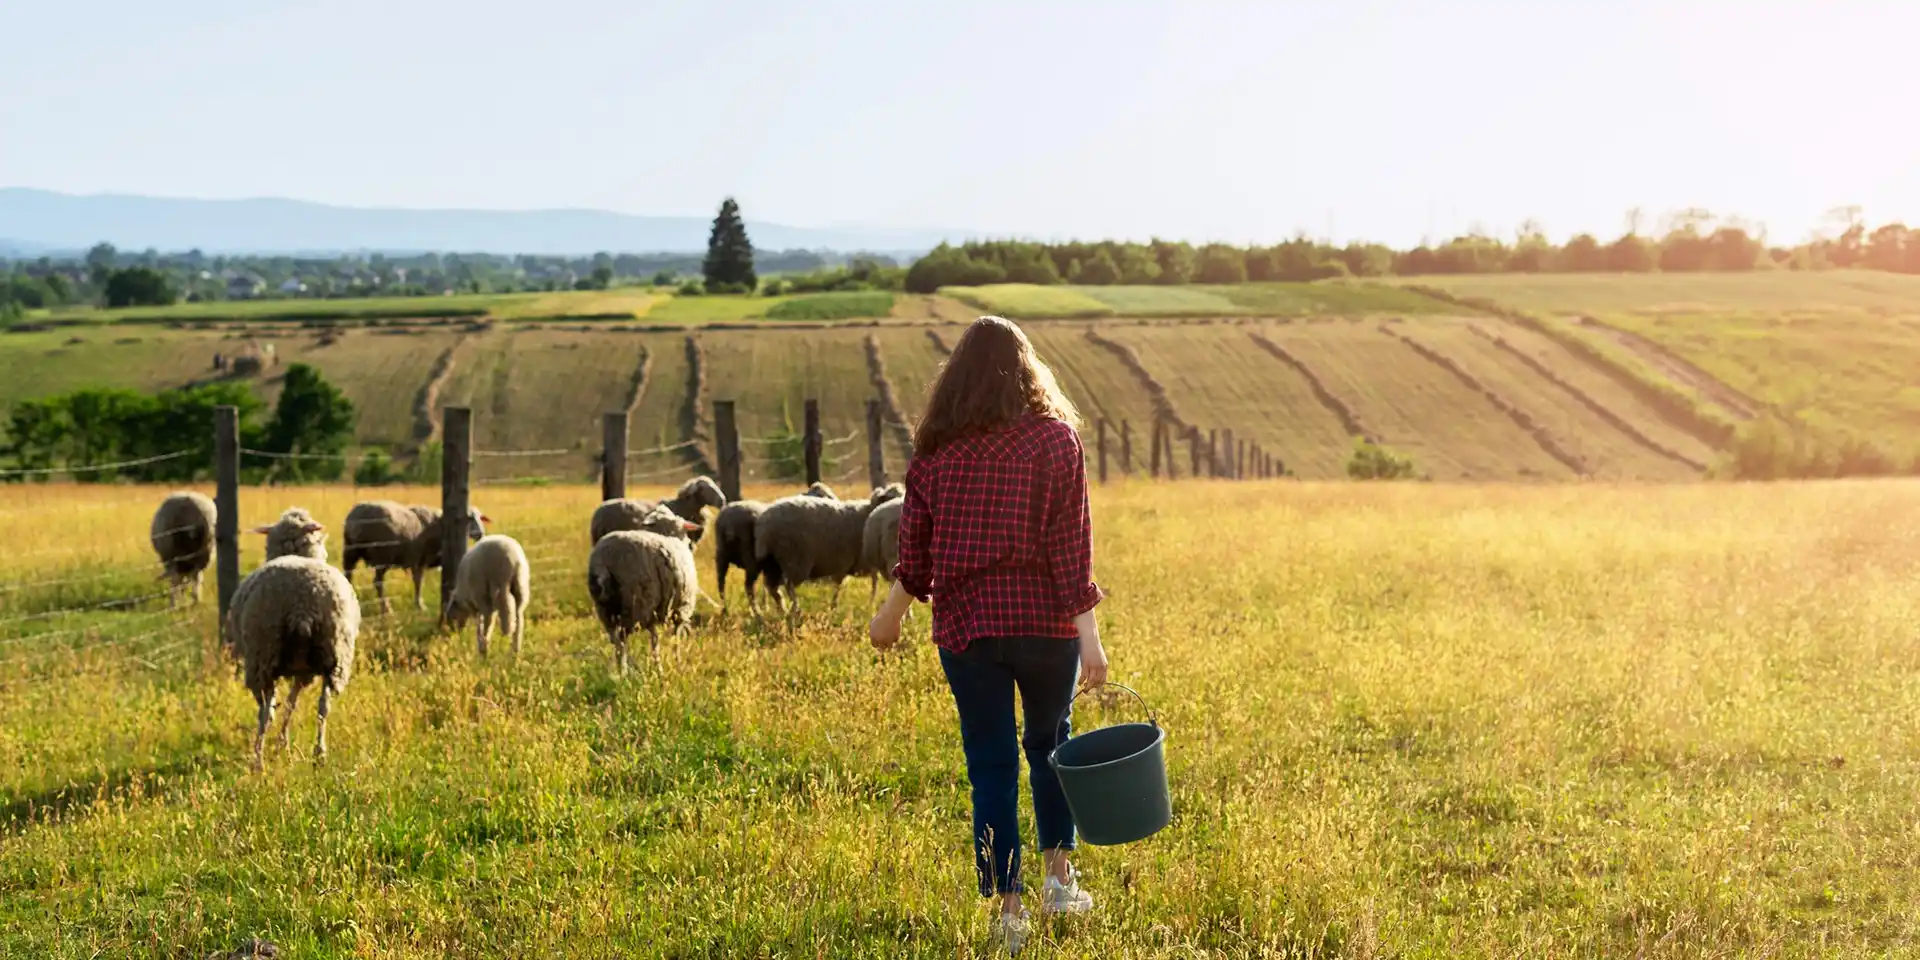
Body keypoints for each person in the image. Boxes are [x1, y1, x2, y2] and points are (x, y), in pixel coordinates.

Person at [869, 315, 1109, 953]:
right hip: (1045, 627)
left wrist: (889, 615)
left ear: (957, 377)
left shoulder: (935, 451)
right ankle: (1059, 879)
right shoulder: (1057, 442)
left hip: (968, 631)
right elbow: (1070, 548)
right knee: (1051, 747)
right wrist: (1090, 636)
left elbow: (915, 558)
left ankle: (1009, 911)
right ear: (1028, 369)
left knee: (992, 766)